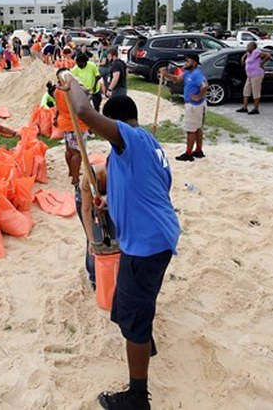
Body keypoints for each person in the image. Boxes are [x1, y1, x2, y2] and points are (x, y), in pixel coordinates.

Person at [56, 74, 179, 410]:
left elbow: (82, 110)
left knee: (131, 317)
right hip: (155, 237)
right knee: (132, 304)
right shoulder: (149, 145)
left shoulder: (130, 139)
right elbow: (153, 189)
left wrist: (70, 82)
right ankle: (145, 337)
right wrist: (112, 202)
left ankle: (137, 396)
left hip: (147, 244)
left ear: (116, 122)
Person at [76, 162, 118, 291]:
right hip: (85, 201)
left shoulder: (122, 176)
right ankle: (95, 278)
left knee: (113, 236)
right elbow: (86, 209)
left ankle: (113, 274)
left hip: (106, 200)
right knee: (95, 241)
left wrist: (107, 200)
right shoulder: (91, 175)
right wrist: (91, 238)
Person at [160, 53, 208, 161]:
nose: (185, 63)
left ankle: (188, 153)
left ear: (194, 63)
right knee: (197, 128)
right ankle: (198, 150)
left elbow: (205, 85)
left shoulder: (196, 74)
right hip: (195, 105)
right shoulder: (188, 72)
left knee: (191, 130)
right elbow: (177, 79)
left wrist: (198, 96)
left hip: (194, 105)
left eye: (188, 61)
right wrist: (166, 74)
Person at [54, 68, 89, 186]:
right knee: (76, 153)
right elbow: (86, 92)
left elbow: (58, 108)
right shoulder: (72, 90)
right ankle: (75, 179)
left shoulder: (57, 92)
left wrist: (55, 118)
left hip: (65, 123)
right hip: (76, 124)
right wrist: (74, 82)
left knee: (69, 150)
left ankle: (71, 172)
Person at [236, 41, 271, 114]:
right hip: (249, 75)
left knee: (256, 92)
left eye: (249, 46)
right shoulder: (249, 53)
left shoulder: (256, 52)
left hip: (256, 75)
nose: (247, 47)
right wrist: (243, 57)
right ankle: (245, 107)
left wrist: (262, 63)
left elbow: (268, 55)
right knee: (246, 91)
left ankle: (256, 109)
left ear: (253, 47)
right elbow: (246, 56)